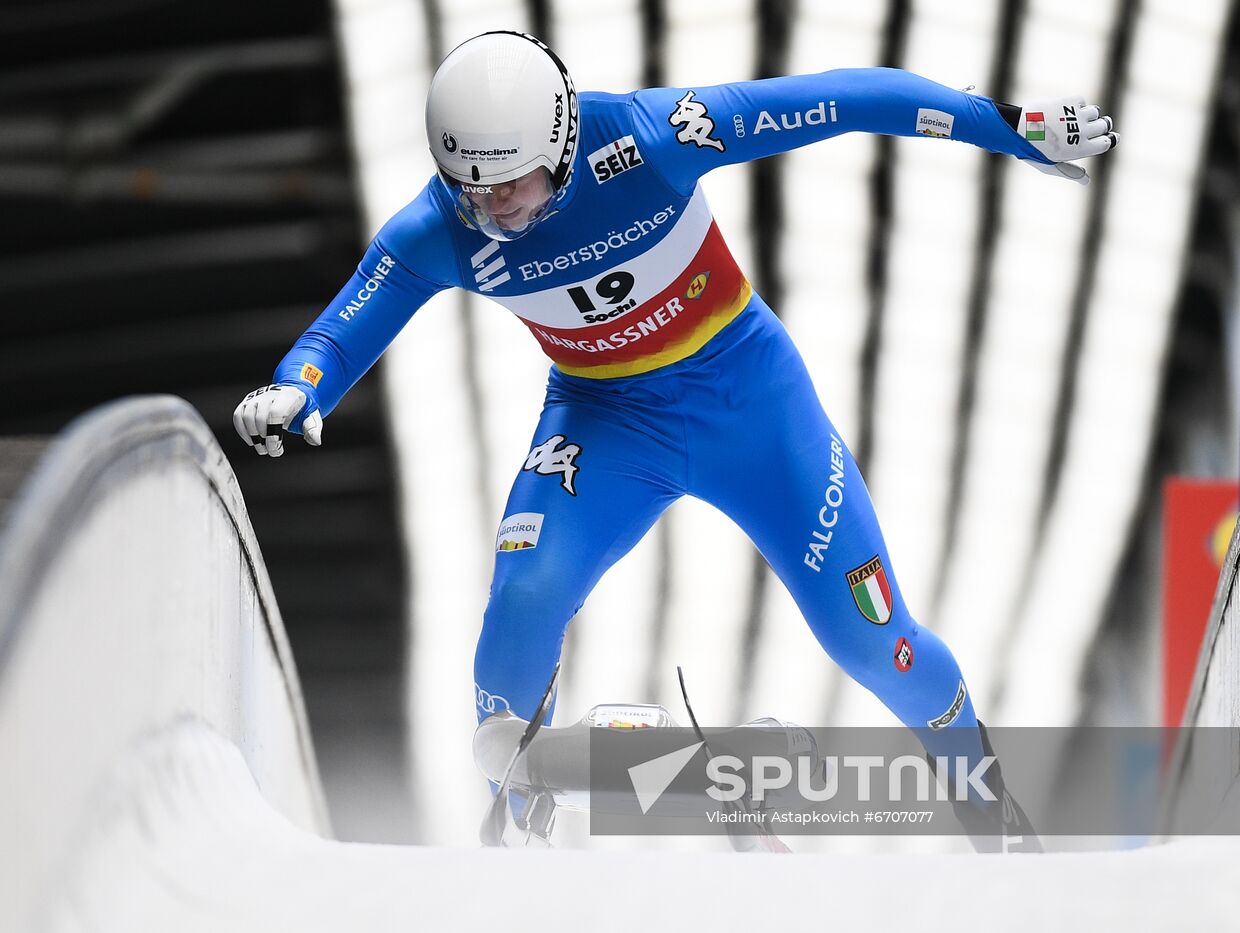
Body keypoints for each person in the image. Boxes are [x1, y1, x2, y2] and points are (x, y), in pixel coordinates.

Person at [233, 31, 1117, 851]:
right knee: (524, 598)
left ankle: (992, 809)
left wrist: (1008, 127)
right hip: (605, 421)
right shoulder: (440, 228)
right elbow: (348, 325)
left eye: (521, 184)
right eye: (478, 192)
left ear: (568, 141)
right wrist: (295, 388)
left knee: (869, 639)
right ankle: (522, 816)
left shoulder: (654, 138)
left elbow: (848, 97)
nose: (501, 210)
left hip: (752, 405)